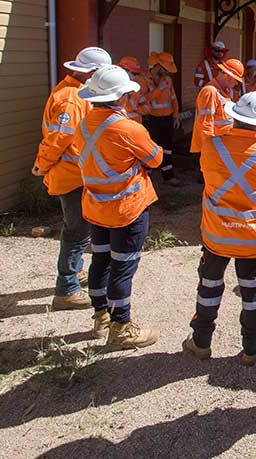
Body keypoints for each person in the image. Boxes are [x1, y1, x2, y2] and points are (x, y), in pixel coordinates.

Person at [183, 92, 256, 363]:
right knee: (252, 292)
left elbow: (206, 172)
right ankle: (251, 350)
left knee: (209, 287)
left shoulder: (211, 146)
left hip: (217, 235)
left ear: (232, 117)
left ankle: (201, 342)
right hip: (253, 238)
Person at [76, 65, 164, 349]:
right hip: (128, 210)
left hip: (96, 206)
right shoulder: (129, 128)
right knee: (123, 268)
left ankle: (100, 318)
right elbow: (156, 159)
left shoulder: (83, 124)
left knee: (100, 261)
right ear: (122, 97)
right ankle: (121, 327)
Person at [32, 46, 111, 311]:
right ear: (91, 73)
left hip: (76, 174)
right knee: (76, 232)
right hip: (72, 176)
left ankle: (74, 273)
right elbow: (59, 138)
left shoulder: (73, 93)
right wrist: (41, 166)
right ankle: (66, 289)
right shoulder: (72, 100)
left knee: (79, 229)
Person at [190, 58, 244, 156]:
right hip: (214, 150)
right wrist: (210, 151)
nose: (236, 83)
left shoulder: (223, 92)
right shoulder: (210, 92)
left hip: (222, 147)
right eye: (236, 80)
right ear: (228, 76)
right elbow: (206, 125)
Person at [146, 51, 180, 183]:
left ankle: (168, 176)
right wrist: (159, 88)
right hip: (152, 119)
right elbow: (145, 99)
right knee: (150, 148)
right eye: (166, 70)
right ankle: (147, 178)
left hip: (167, 119)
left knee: (167, 148)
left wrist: (176, 116)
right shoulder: (146, 80)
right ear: (158, 67)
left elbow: (173, 99)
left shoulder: (168, 80)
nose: (167, 73)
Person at [118, 56, 149, 122]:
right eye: (134, 74)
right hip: (122, 125)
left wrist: (136, 108)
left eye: (138, 74)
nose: (136, 76)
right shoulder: (114, 88)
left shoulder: (137, 87)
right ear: (124, 71)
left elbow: (147, 107)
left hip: (136, 125)